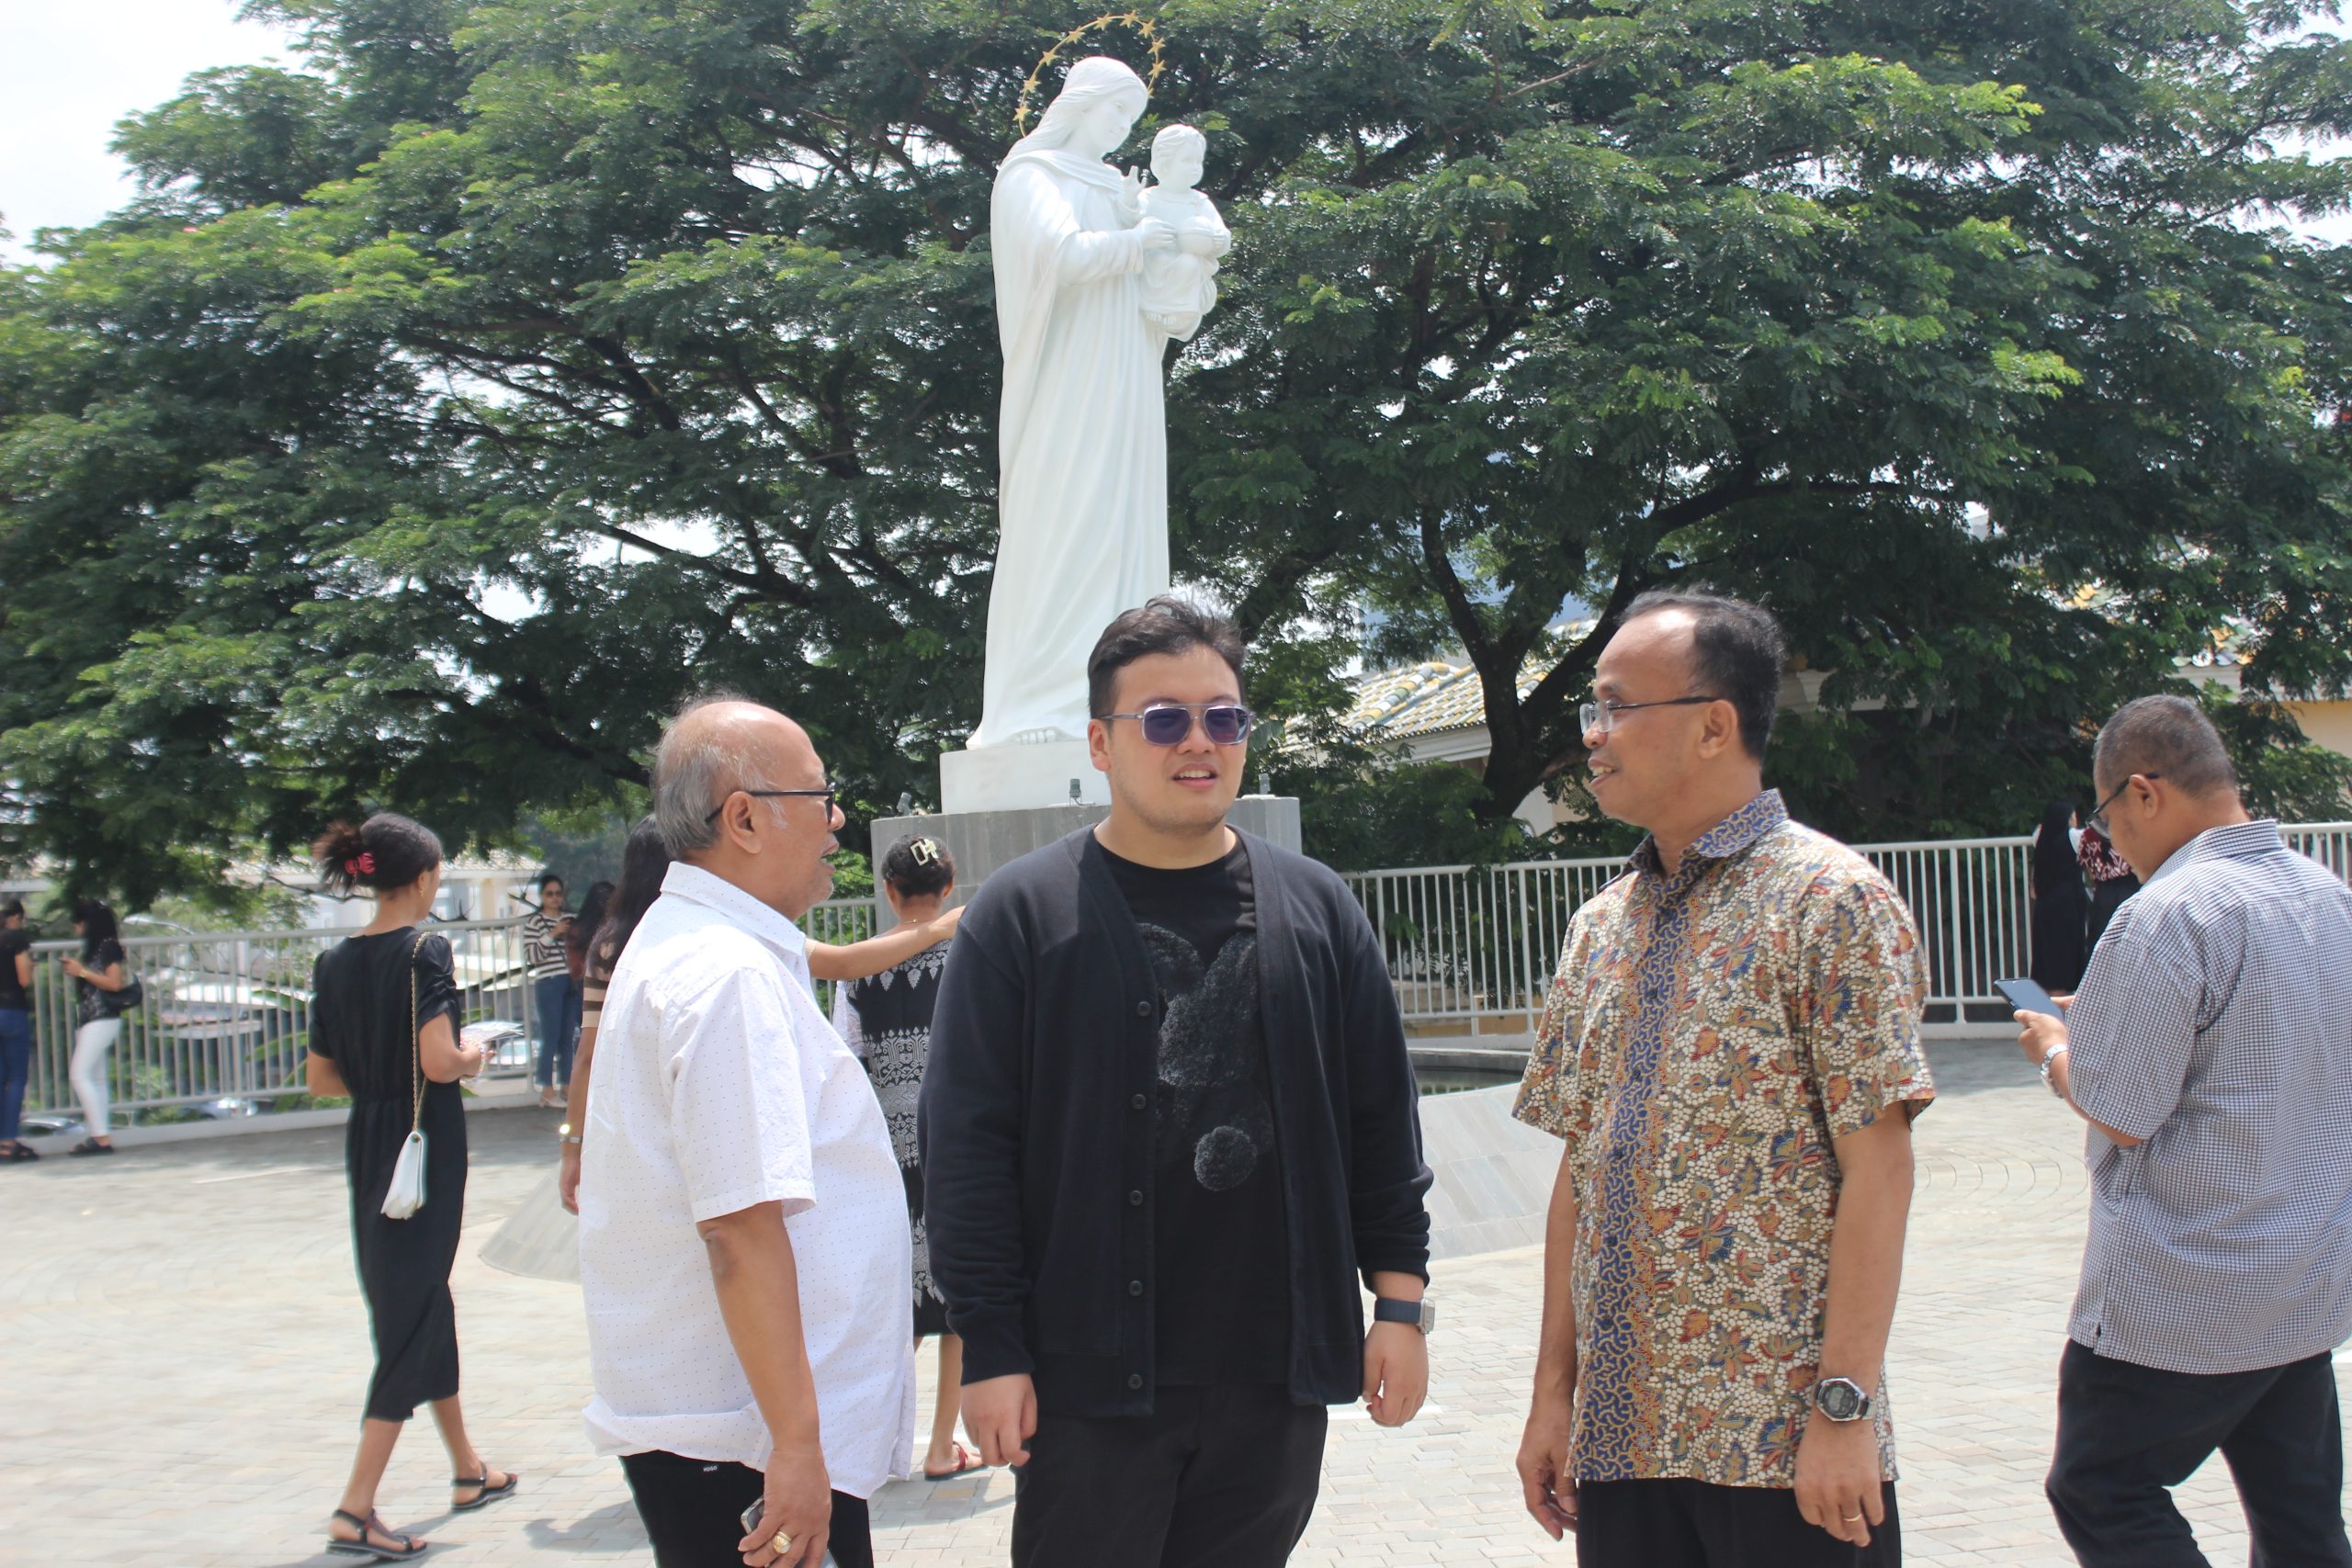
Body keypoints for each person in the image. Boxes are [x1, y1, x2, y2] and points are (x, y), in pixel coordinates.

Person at [923, 597, 1434, 1568]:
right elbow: (967, 1151)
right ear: (1101, 742)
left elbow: (1382, 1125)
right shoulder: (1024, 918)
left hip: (1271, 1376)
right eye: (1163, 719)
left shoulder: (1317, 907)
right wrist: (992, 1348)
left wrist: (1399, 1309)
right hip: (1088, 1379)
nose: (1198, 742)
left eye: (1223, 718)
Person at [1512, 590, 1934, 1567]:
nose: (1594, 735)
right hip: (1622, 1448)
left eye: (1618, 707)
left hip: (1781, 1449)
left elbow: (1880, 1171)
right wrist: (1551, 1398)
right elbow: (1582, 1174)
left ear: (1713, 725)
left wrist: (1843, 1409)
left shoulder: (1830, 902)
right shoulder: (1598, 927)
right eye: (1592, 710)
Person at [2012, 694, 2352, 1568]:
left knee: (2100, 1486)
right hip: (2305, 1274)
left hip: (2186, 1287)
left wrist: (2056, 1048)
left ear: (2143, 792)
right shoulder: (2325, 893)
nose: (2111, 842)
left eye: (2109, 817)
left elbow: (2122, 1113)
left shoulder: (2168, 911)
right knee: (2301, 1518)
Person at [579, 696, 913, 1568]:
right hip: (750, 1441)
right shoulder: (725, 975)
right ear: (745, 818)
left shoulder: (693, 942)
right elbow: (739, 1225)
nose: (838, 822)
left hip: (734, 1429)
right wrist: (797, 1450)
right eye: (821, 796)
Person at [559, 821, 969, 1216]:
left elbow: (588, 1055)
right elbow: (839, 963)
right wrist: (934, 931)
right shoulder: (729, 932)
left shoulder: (615, 947)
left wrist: (573, 1144)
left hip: (640, 1129)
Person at [306, 814, 516, 1561]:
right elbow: (437, 1059)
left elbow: (321, 1077)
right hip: (424, 1149)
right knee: (411, 1309)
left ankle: (467, 1469)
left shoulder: (333, 960)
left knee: (419, 1296)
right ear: (425, 876)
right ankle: (356, 1507)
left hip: (370, 1141)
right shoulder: (426, 948)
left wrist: (382, 1079)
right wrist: (472, 1052)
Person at [830, 835, 978, 1481]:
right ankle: (943, 1444)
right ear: (949, 887)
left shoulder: (861, 967)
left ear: (888, 891)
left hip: (889, 1154)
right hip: (961, 1147)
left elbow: (847, 1058)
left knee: (895, 1308)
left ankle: (867, 1440)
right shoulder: (972, 955)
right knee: (959, 1309)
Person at [59, 898, 131, 1156]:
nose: (76, 927)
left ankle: (100, 1137)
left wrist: (81, 972)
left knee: (79, 1074)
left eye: (78, 922)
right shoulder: (96, 948)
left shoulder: (108, 947)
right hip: (93, 1019)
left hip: (102, 1019)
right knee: (97, 1080)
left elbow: (115, 983)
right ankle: (99, 1137)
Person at [523, 872, 577, 1108]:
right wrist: (552, 934)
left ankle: (567, 1085)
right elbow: (532, 956)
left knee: (568, 1036)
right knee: (550, 1036)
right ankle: (546, 1089)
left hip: (572, 981)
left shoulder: (571, 918)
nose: (555, 898)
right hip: (548, 981)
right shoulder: (535, 922)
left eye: (558, 894)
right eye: (550, 894)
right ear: (542, 897)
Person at [2030, 799, 2090, 993]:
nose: (2075, 819)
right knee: (2066, 956)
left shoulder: (2039, 836)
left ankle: (2045, 1004)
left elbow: (2039, 830)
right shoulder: (2074, 836)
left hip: (2045, 904)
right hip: (2068, 904)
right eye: (2072, 816)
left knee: (2046, 957)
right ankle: (2060, 1007)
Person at [0, 897, 35, 1163]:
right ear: (14, 918)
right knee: (15, 1079)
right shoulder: (15, 939)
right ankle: (8, 1141)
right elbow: (24, 979)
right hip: (12, 1012)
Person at [2075, 822, 2139, 952]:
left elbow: (2085, 862)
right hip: (2132, 889)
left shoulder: (2089, 834)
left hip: (2103, 893)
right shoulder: (2134, 828)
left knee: (2101, 941)